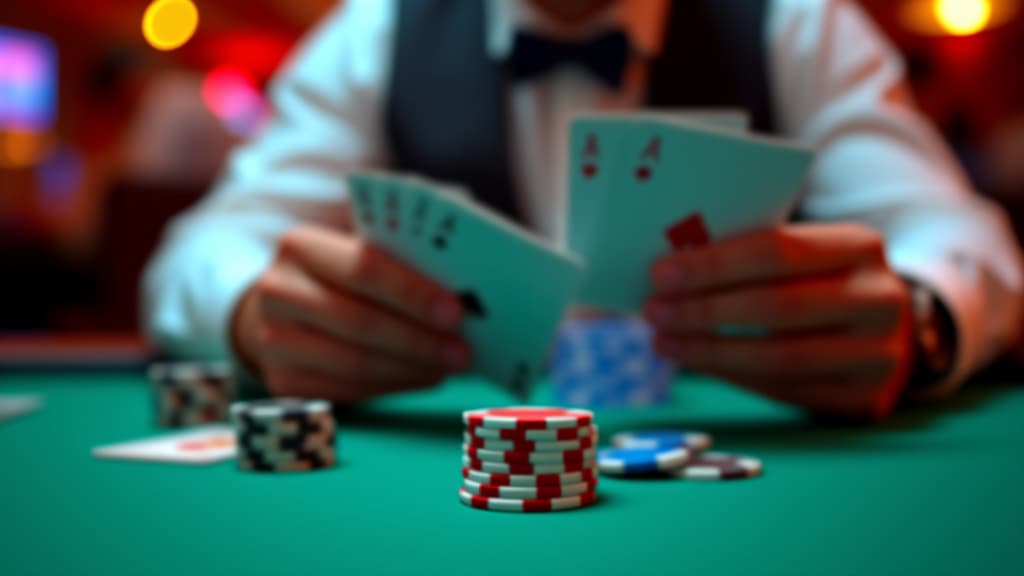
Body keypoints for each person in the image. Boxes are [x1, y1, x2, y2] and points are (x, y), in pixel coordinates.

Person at [142, 0, 1024, 419]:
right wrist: (257, 316)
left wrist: (921, 320)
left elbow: (960, 234)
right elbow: (197, 253)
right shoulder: (375, 33)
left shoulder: (798, 24)